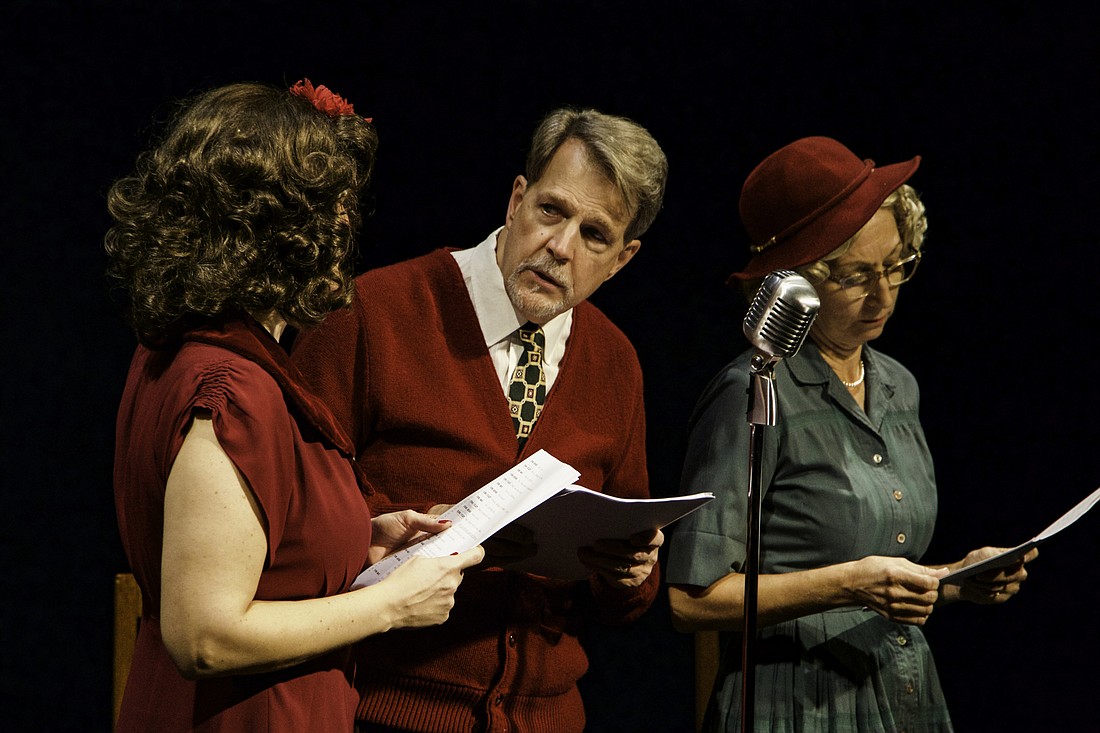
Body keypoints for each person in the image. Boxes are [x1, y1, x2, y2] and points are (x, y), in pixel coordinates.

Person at [106, 79, 483, 733]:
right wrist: (394, 604)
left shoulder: (186, 351)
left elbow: (250, 549)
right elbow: (206, 635)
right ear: (286, 225)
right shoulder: (231, 390)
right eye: (334, 205)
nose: (346, 224)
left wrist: (360, 537)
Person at [290, 107, 669, 733]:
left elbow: (628, 596)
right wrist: (376, 534)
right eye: (552, 210)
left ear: (622, 259)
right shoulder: (373, 312)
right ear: (517, 199)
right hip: (383, 708)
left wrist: (629, 573)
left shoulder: (615, 362)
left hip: (546, 718)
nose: (561, 246)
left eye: (594, 234)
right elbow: (290, 516)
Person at [665, 136, 1037, 733]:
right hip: (795, 702)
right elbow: (691, 600)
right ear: (799, 284)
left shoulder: (897, 384)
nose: (884, 295)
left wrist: (954, 582)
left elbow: (879, 570)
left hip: (901, 689)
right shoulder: (754, 390)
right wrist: (851, 585)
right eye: (855, 276)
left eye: (896, 265)